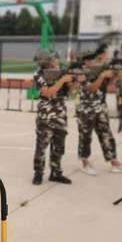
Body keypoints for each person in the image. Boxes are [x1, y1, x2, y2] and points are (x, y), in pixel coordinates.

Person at [76, 47, 122, 175]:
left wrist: (115, 75)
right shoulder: (80, 73)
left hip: (100, 108)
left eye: (93, 59)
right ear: (84, 62)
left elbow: (108, 84)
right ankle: (85, 163)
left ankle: (114, 162)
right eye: (89, 60)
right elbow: (91, 88)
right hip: (85, 109)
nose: (92, 62)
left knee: (106, 135)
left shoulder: (100, 69)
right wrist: (101, 76)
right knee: (85, 137)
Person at [31, 50, 75, 186]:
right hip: (46, 115)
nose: (57, 60)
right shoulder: (38, 74)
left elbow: (71, 92)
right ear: (48, 62)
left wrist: (74, 82)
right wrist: (62, 80)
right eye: (55, 58)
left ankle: (56, 173)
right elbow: (48, 93)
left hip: (60, 114)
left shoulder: (62, 72)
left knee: (59, 146)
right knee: (42, 146)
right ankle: (38, 173)